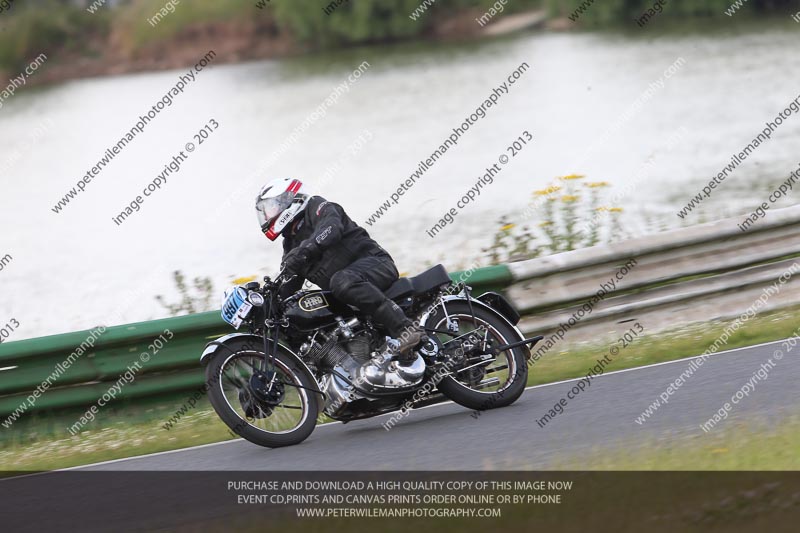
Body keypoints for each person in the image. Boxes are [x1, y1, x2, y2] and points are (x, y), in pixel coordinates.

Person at [255, 178, 425, 362]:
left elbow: (331, 228)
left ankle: (406, 329)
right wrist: (266, 304)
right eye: (264, 210)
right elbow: (287, 284)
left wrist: (305, 251)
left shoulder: (317, 207)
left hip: (377, 265)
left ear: (290, 199)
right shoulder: (290, 244)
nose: (267, 214)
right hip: (348, 292)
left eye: (271, 207)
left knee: (341, 281)